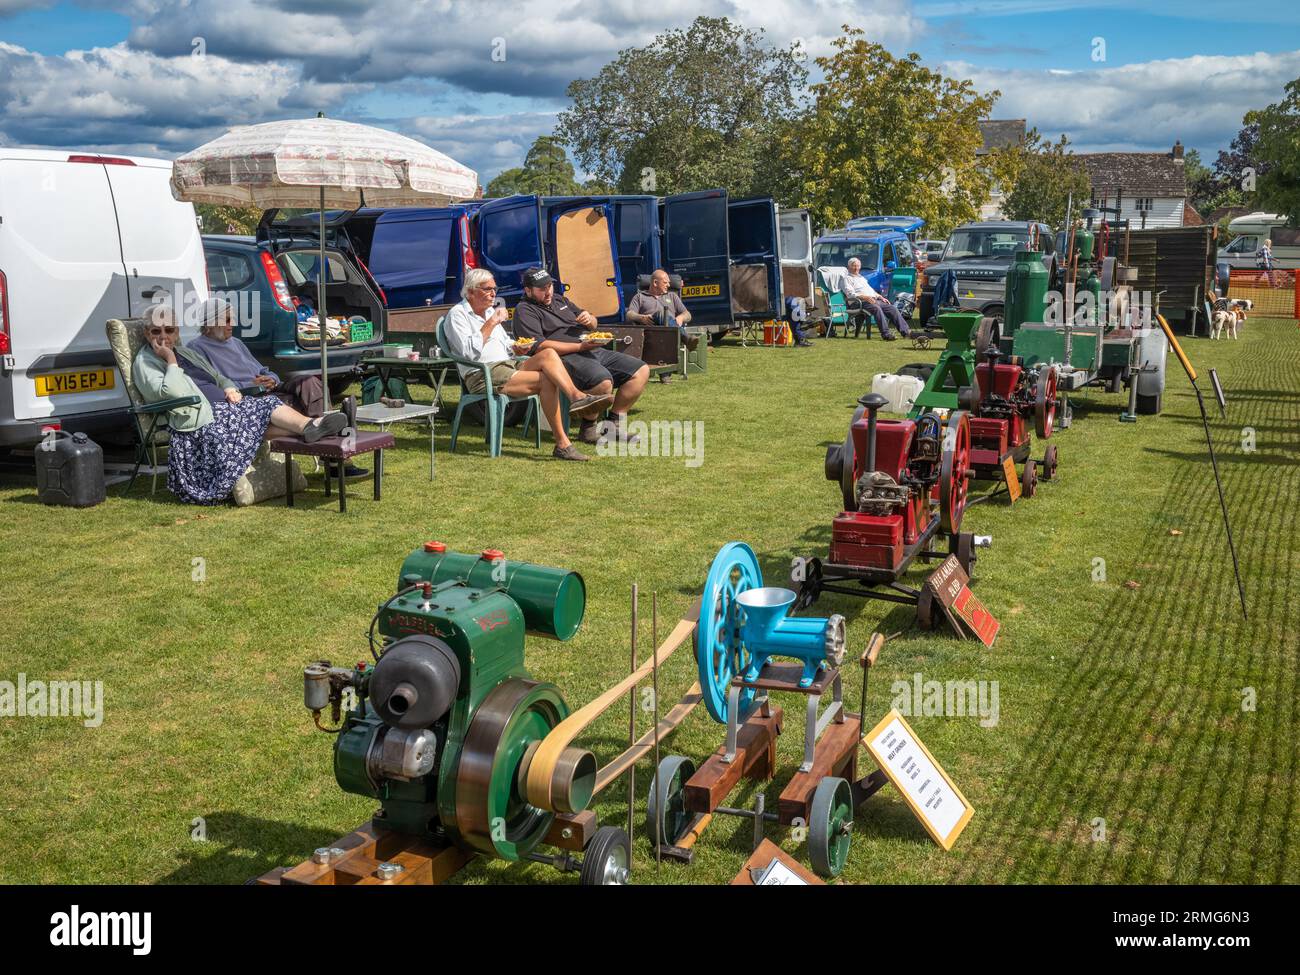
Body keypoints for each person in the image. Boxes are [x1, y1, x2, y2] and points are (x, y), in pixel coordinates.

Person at [132, 305, 347, 504]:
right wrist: (169, 359)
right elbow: (170, 392)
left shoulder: (186, 353)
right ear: (146, 334)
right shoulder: (147, 362)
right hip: (196, 416)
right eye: (156, 332)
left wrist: (228, 387)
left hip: (224, 404)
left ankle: (312, 427)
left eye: (169, 330)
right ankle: (312, 426)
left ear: (176, 332)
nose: (163, 337)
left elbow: (217, 376)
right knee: (263, 408)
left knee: (277, 400)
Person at [444, 269, 613, 461]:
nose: (493, 293)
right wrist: (491, 323)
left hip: (509, 364)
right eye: (487, 289)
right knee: (546, 381)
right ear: (471, 291)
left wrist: (517, 347)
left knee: (547, 353)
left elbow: (503, 344)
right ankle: (563, 444)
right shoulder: (457, 315)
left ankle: (576, 397)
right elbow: (468, 352)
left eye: (494, 289)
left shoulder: (489, 312)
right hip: (483, 373)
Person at [186, 298, 365, 479]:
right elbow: (214, 384)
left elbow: (262, 370)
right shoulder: (196, 348)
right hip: (249, 398)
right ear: (210, 322)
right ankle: (334, 451)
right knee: (308, 401)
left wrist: (271, 379)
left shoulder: (236, 343)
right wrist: (248, 386)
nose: (232, 324)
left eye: (232, 318)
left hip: (269, 389)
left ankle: (326, 431)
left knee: (309, 382)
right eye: (226, 320)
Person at [513, 268, 649, 446]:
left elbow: (592, 323)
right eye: (542, 289)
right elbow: (540, 346)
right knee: (603, 382)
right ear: (528, 290)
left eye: (549, 286)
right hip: (563, 357)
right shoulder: (525, 310)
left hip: (590, 348)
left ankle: (612, 426)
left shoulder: (560, 299)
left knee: (641, 370)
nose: (548, 292)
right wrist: (579, 346)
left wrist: (590, 319)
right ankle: (588, 429)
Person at [625, 270, 699, 350]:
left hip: (670, 334)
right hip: (650, 334)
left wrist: (681, 318)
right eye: (665, 282)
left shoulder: (672, 296)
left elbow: (688, 315)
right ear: (655, 283)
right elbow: (629, 315)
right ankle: (686, 338)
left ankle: (681, 335)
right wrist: (641, 318)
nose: (669, 285)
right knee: (660, 314)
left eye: (669, 282)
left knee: (663, 315)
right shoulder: (639, 297)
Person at [840, 257, 911, 340]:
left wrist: (880, 296)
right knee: (876, 308)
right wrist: (864, 297)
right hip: (857, 302)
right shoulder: (846, 279)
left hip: (871, 300)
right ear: (849, 267)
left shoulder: (861, 278)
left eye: (858, 266)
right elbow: (850, 294)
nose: (856, 268)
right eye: (854, 266)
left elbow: (871, 291)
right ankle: (886, 334)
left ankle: (906, 332)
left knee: (892, 308)